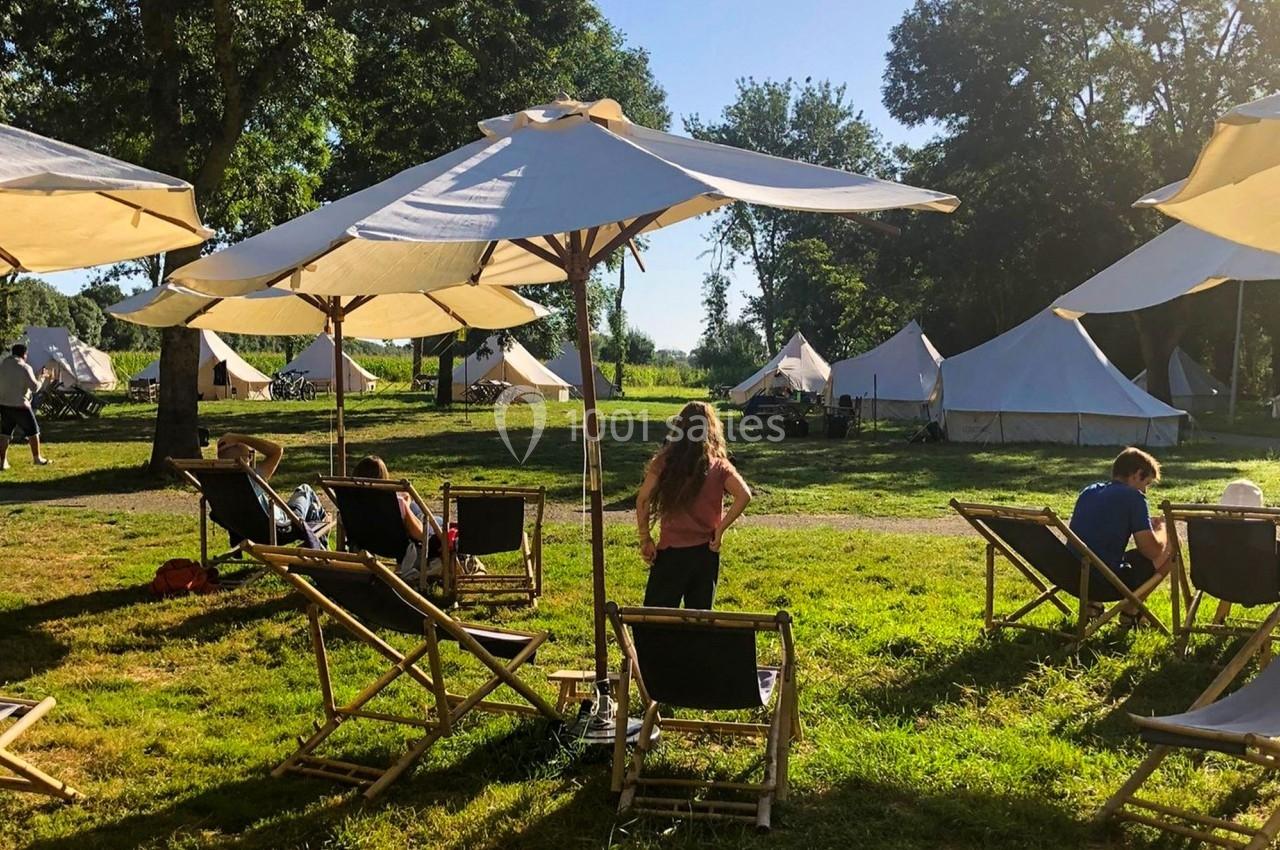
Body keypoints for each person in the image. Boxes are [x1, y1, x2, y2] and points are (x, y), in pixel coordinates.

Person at [635, 401, 752, 609]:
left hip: (670, 552)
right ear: (712, 430)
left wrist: (645, 537)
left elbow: (643, 499)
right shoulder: (720, 466)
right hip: (705, 554)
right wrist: (720, 530)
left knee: (656, 617)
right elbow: (744, 495)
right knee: (700, 618)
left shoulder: (664, 462)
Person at [1068, 447, 1172, 621]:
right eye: (1146, 483)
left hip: (1071, 574)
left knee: (1098, 549)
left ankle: (1092, 606)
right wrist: (1162, 528)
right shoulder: (1134, 498)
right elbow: (1152, 551)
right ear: (1137, 474)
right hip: (1102, 582)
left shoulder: (1088, 491)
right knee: (1174, 546)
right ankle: (1131, 611)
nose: (1145, 491)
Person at [215, 432, 327, 547]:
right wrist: (239, 437)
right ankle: (320, 546)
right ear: (245, 459)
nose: (251, 458)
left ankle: (316, 544)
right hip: (281, 528)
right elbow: (277, 450)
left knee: (312, 511)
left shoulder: (219, 486)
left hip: (248, 532)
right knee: (306, 490)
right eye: (249, 455)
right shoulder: (251, 479)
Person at [0, 343, 51, 470]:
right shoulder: (25, 367)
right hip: (21, 405)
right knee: (33, 431)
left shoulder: (3, 364)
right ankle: (37, 458)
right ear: (24, 354)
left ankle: (2, 461)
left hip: (4, 404)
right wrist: (42, 378)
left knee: (5, 433)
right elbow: (34, 388)